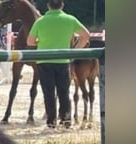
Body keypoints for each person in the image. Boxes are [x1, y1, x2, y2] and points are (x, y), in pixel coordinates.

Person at [27, 0, 90, 128]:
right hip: (63, 60)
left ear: (48, 6)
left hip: (44, 60)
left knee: (48, 92)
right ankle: (66, 120)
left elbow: (30, 42)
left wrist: (41, 41)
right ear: (62, 5)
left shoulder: (40, 21)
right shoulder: (70, 19)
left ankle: (51, 122)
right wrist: (74, 51)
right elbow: (86, 35)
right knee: (64, 92)